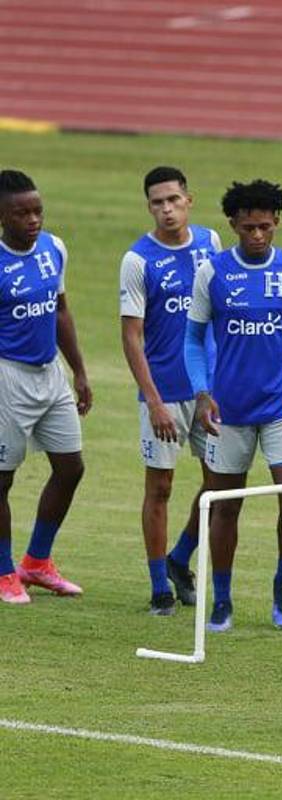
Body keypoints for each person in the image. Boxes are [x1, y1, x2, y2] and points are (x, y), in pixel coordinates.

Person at [184, 179, 282, 632]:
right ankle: (221, 598)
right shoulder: (212, 272)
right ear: (233, 225)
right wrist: (203, 392)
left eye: (265, 226)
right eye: (248, 228)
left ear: (277, 222)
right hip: (229, 412)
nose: (257, 236)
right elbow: (193, 340)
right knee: (225, 507)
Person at [119, 166, 221, 615]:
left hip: (208, 393)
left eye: (173, 200)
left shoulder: (210, 243)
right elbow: (131, 336)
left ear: (189, 200)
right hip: (164, 394)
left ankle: (181, 558)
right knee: (160, 487)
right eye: (158, 202)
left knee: (219, 485)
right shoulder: (138, 260)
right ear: (149, 207)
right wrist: (154, 400)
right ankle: (160, 585)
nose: (167, 209)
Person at [0, 169, 91, 605]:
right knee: (1, 479)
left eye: (37, 210)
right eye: (21, 213)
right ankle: (3, 572)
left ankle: (36, 563)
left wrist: (79, 371)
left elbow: (60, 311)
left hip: (49, 372)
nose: (33, 219)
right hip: (7, 376)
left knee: (71, 467)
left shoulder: (54, 248)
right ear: (3, 217)